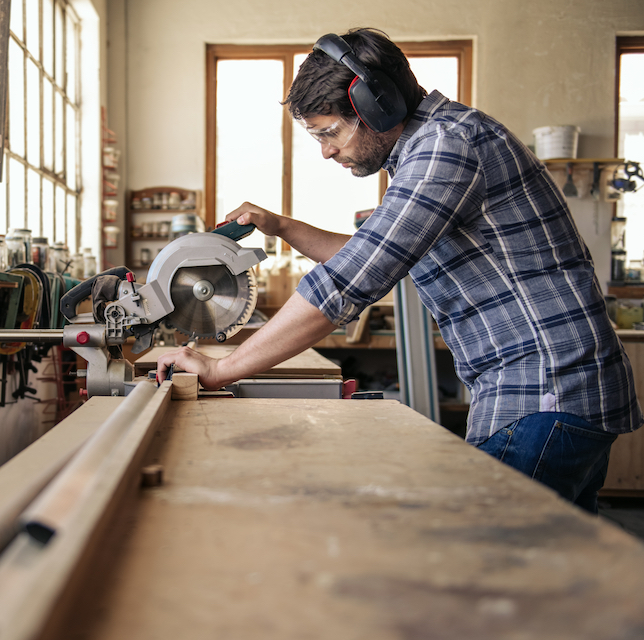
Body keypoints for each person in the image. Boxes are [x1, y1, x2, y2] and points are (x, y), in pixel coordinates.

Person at [156, 27, 642, 514]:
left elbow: (349, 282)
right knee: (556, 574)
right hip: (555, 392)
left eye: (329, 133)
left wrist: (221, 370)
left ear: (377, 105)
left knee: (488, 569)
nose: (326, 151)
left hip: (543, 393)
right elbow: (373, 253)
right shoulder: (432, 146)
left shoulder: (446, 148)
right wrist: (281, 226)